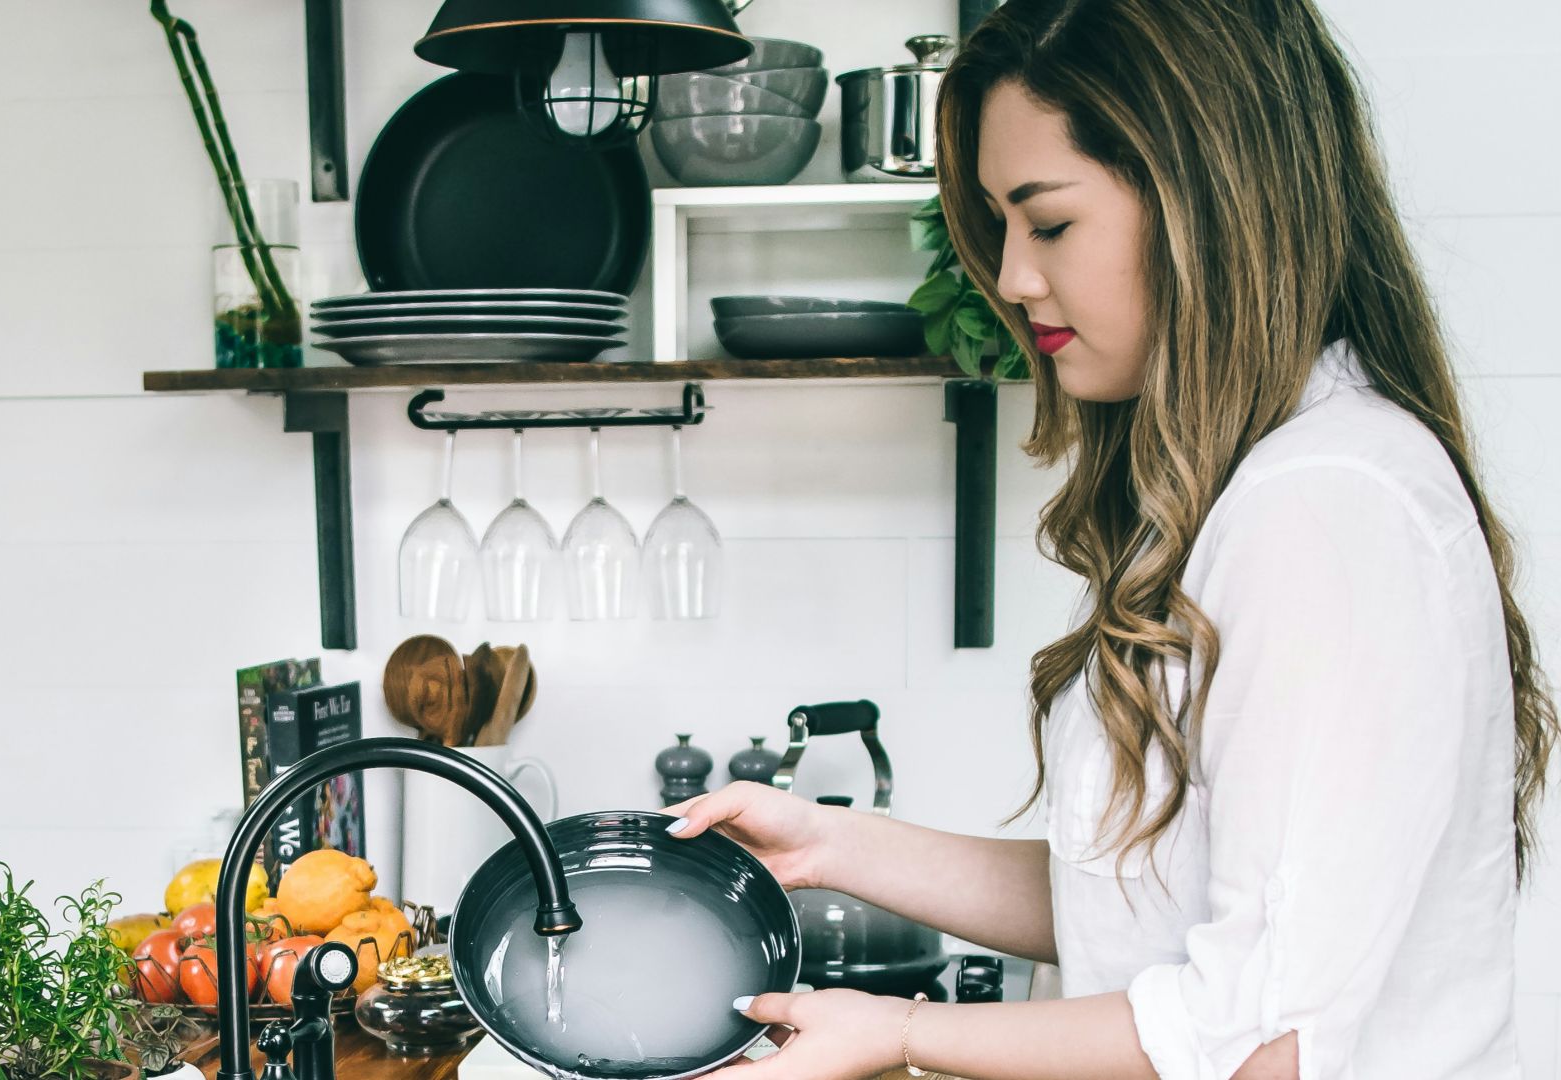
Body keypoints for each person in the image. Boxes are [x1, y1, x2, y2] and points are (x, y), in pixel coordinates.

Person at [663, 1, 1558, 1077]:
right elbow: (1135, 912)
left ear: (1207, 202)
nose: (1010, 276)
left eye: (1048, 223)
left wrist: (902, 1034)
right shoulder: (1261, 487)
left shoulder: (1322, 505)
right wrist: (835, 846)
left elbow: (1261, 1044)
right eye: (998, 225)